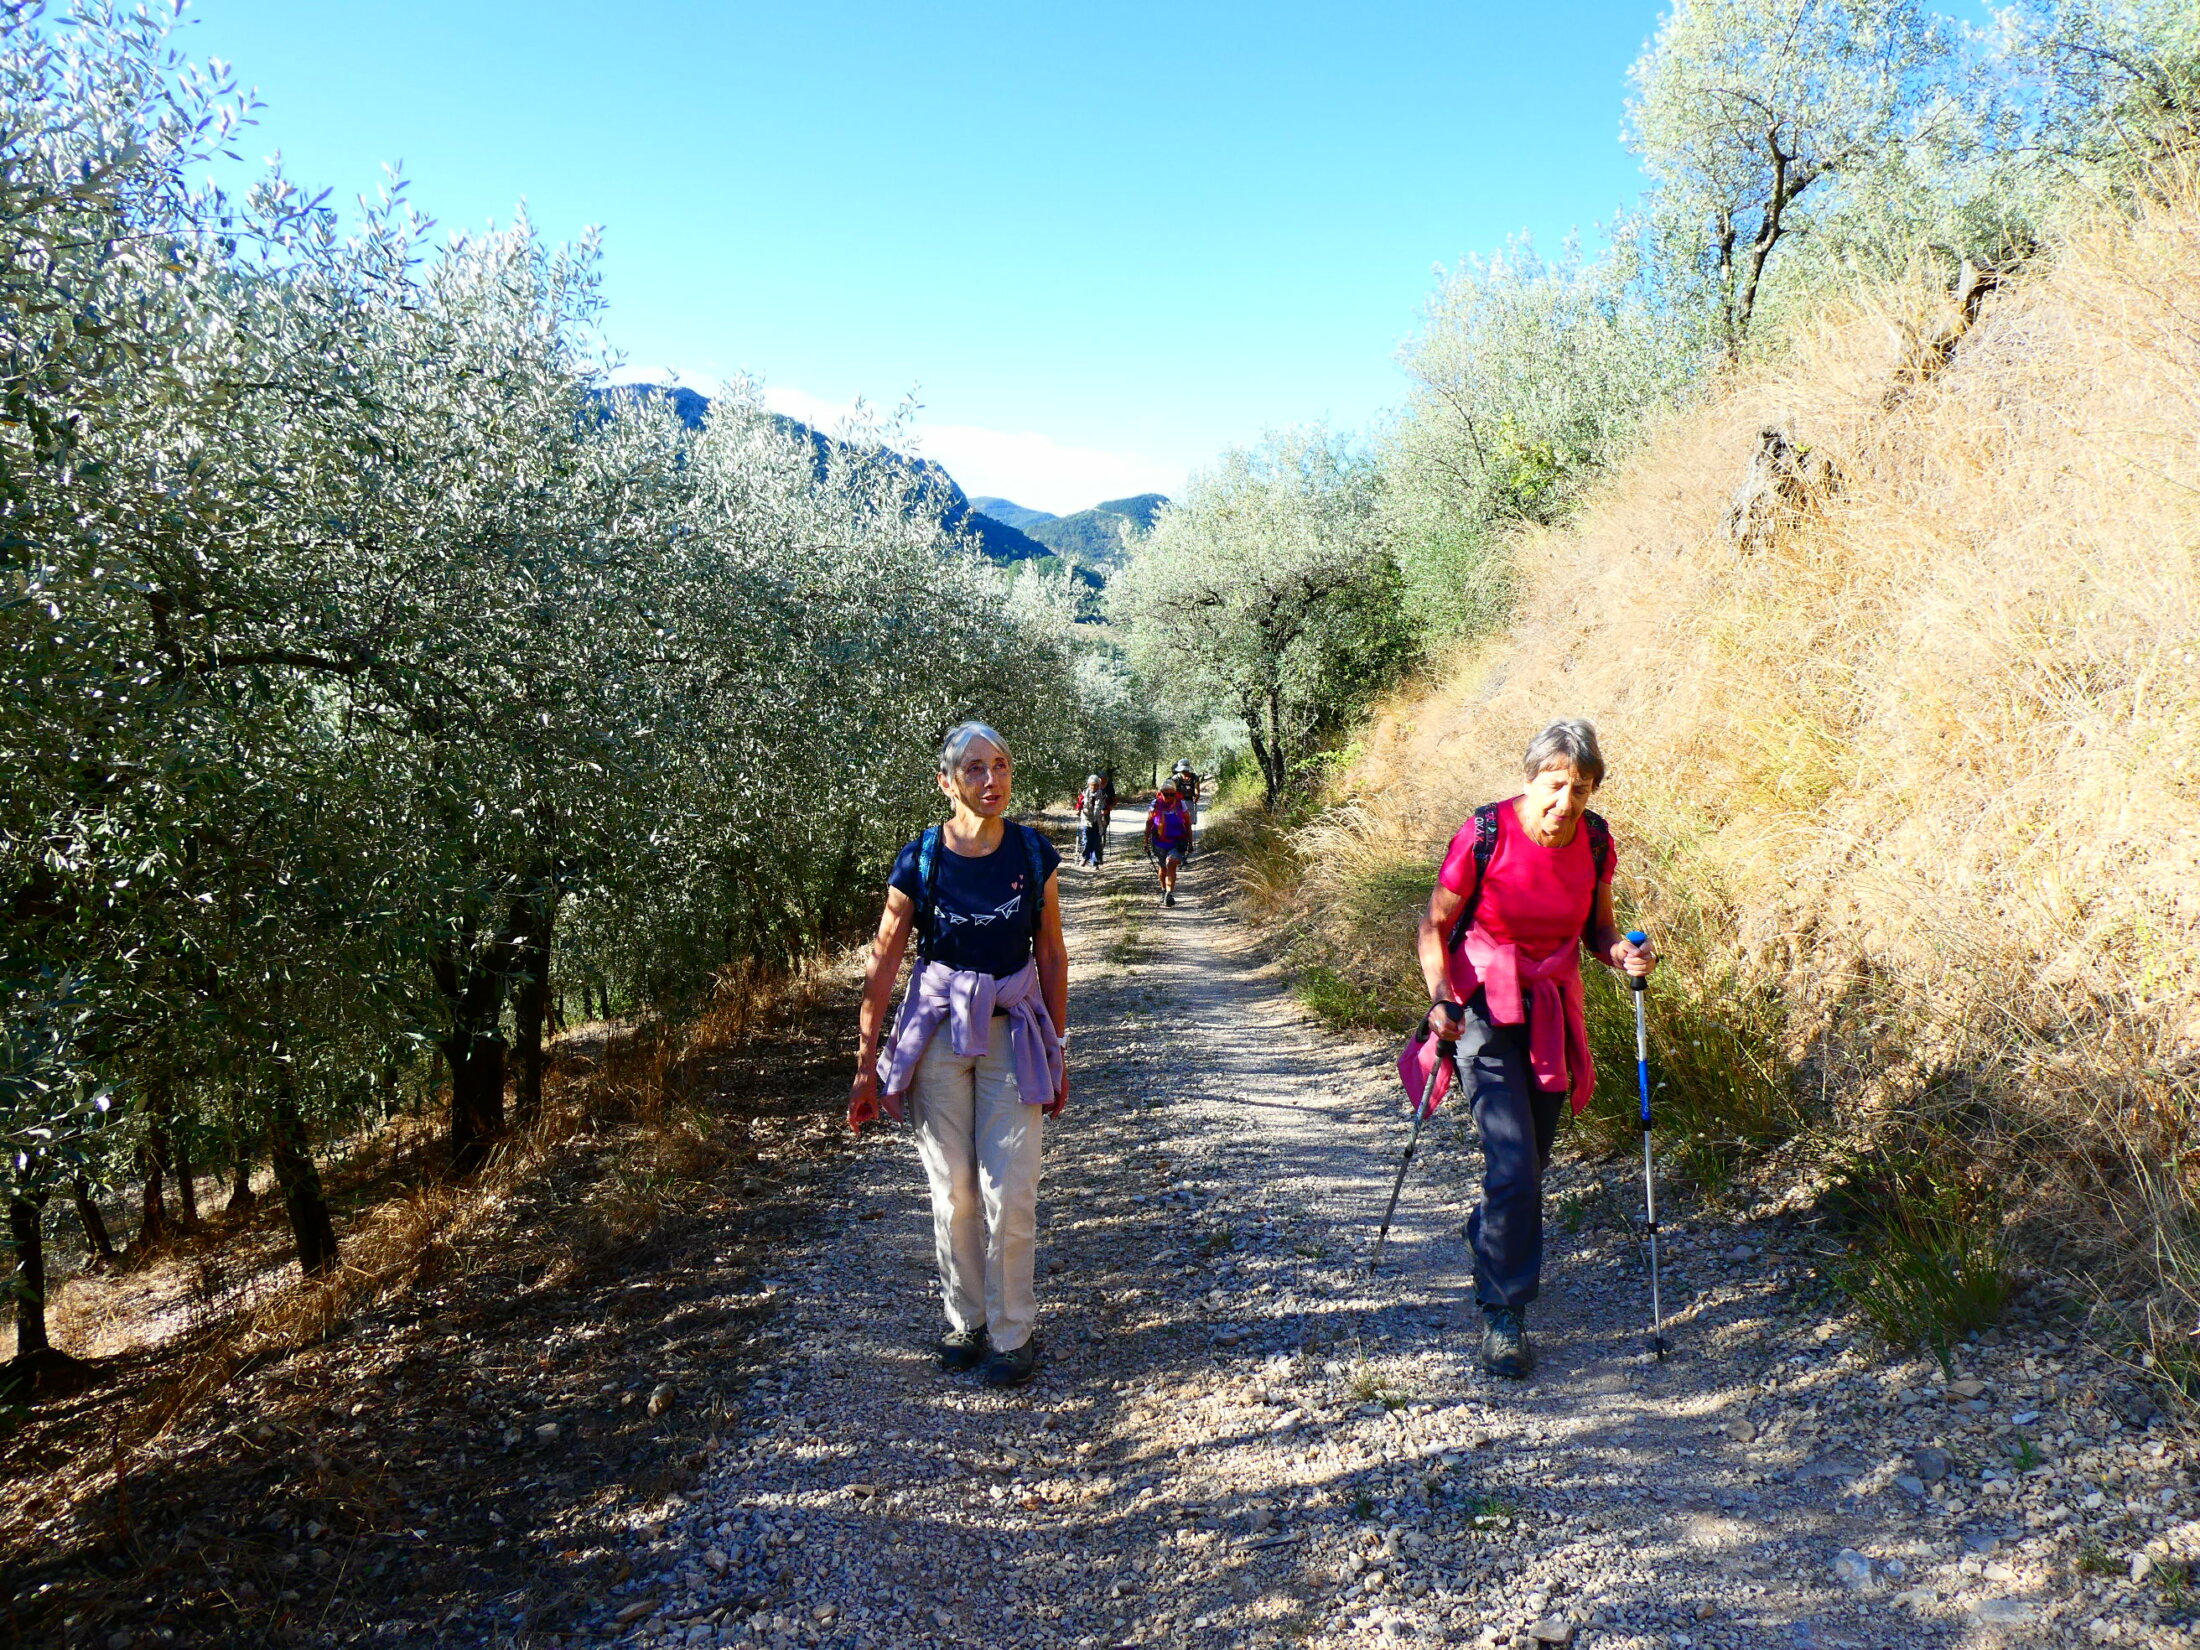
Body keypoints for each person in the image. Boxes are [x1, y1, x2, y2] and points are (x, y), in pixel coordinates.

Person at [1410, 719, 1655, 1379]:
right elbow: (1435, 922)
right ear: (1530, 780)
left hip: (1549, 1008)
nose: (1565, 803)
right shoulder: (1484, 834)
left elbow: (1598, 930)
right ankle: (1504, 1315)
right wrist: (1439, 996)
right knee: (1515, 1164)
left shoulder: (1597, 842)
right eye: (1554, 786)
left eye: (1579, 788)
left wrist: (1623, 954)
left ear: (1593, 788)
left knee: (1531, 1163)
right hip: (1481, 1008)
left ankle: (1492, 1233)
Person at [847, 722, 1069, 1388]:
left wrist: (1058, 1046)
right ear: (947, 783)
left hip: (1015, 1035)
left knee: (1013, 1188)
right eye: (974, 769)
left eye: (1000, 765)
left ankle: (1013, 1332)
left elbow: (1052, 954)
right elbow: (886, 960)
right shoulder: (921, 859)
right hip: (940, 1036)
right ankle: (966, 1320)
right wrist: (866, 1063)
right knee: (954, 1190)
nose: (991, 780)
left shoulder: (1032, 855)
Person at [1145, 778, 1192, 907]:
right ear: (1161, 793)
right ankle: (1163, 889)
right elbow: (1149, 823)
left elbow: (1187, 824)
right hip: (1159, 842)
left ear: (1175, 793)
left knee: (1171, 863)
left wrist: (1191, 843)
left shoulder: (1181, 805)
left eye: (1172, 794)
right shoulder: (1155, 805)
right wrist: (1145, 841)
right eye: (1166, 794)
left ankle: (1169, 893)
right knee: (1163, 868)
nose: (1169, 797)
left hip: (1177, 841)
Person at [1076, 773, 1110, 868]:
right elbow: (1079, 804)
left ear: (1099, 785)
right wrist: (1078, 810)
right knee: (1086, 840)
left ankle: (1095, 862)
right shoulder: (1084, 794)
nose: (1093, 787)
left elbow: (1107, 807)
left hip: (1097, 821)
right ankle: (1085, 857)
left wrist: (1105, 811)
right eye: (1092, 785)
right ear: (1089, 785)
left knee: (1096, 841)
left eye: (1096, 785)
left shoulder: (1102, 795)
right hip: (1086, 820)